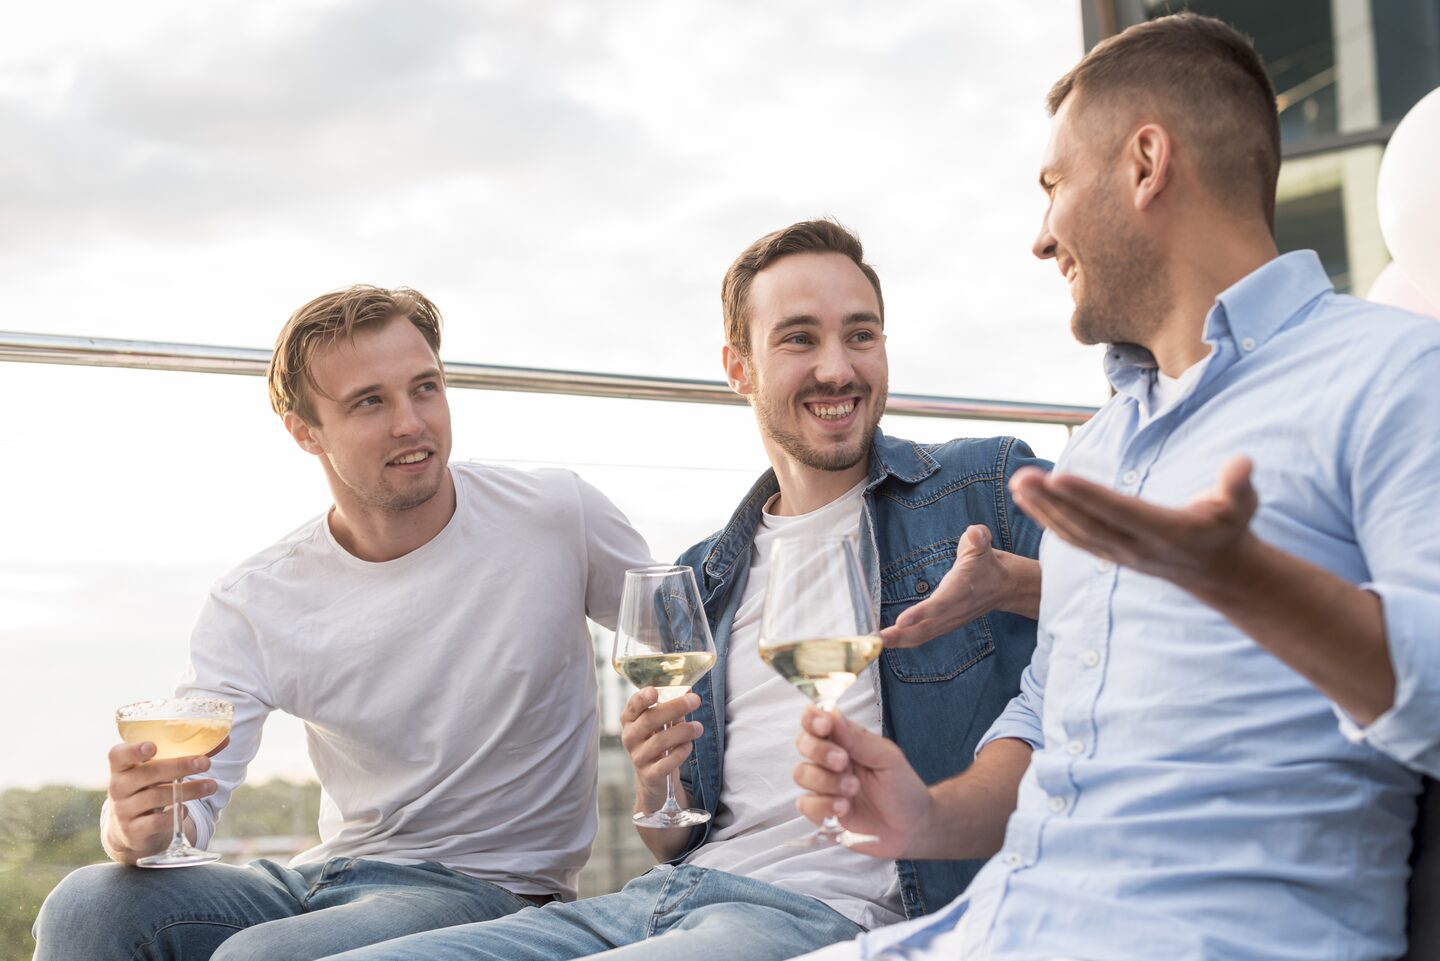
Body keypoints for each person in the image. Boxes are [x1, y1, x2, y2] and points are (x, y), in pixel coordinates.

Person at [790, 13, 1440, 961]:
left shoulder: (1397, 373)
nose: (1041, 238)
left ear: (1145, 164)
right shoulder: (1095, 454)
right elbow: (1052, 723)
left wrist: (1248, 584)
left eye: (1053, 185)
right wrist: (923, 815)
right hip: (994, 928)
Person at [317, 221, 1049, 961]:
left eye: (860, 336)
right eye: (799, 339)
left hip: (823, 912)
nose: (837, 369)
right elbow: (674, 840)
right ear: (738, 368)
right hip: (663, 896)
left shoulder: (983, 486)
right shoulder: (703, 577)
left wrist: (1018, 585)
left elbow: (1120, 602)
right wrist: (654, 778)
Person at [32, 286, 655, 961]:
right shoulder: (257, 597)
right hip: (323, 877)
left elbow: (689, 635)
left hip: (489, 890)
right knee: (87, 903)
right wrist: (133, 826)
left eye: (425, 388)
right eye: (369, 402)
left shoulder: (556, 515)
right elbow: (188, 803)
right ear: (305, 431)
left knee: (264, 956)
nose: (411, 422)